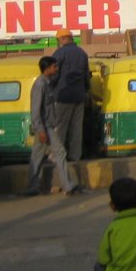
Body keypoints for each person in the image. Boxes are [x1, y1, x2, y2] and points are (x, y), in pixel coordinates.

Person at [21, 56, 81, 196]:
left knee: (37, 156)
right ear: (47, 69)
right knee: (60, 152)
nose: (56, 69)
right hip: (44, 127)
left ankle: (33, 186)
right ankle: (68, 185)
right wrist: (41, 130)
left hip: (46, 126)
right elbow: (35, 110)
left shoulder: (47, 83)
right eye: (54, 67)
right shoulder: (40, 85)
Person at [53, 28, 90, 170]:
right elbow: (87, 77)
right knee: (76, 128)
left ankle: (57, 156)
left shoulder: (59, 54)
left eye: (58, 40)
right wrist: (85, 91)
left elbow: (54, 76)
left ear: (63, 39)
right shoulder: (82, 54)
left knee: (60, 128)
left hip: (62, 96)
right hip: (79, 95)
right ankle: (75, 155)